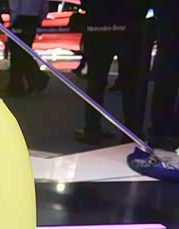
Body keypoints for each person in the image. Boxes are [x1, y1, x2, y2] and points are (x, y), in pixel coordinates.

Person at [74, 0, 149, 145]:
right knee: (131, 82)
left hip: (99, 24)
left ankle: (92, 127)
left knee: (96, 81)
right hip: (130, 24)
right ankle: (132, 130)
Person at [148, 0, 179, 150]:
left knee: (165, 88)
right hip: (169, 39)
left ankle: (160, 132)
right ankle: (160, 132)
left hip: (168, 38)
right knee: (165, 88)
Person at [4, 0, 49, 96]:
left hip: (20, 20)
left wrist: (12, 22)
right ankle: (21, 84)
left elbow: (15, 6)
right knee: (24, 51)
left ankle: (18, 85)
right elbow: (44, 7)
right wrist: (39, 20)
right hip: (33, 20)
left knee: (18, 53)